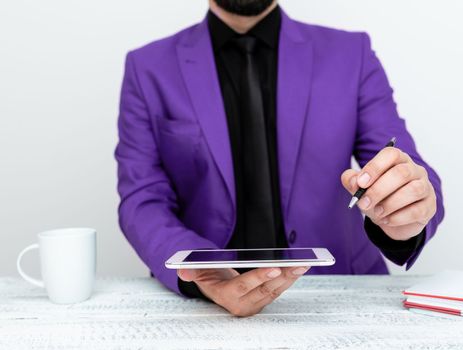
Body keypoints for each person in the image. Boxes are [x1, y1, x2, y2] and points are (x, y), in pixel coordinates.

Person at [115, 0, 444, 317]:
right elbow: (142, 198)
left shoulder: (351, 53)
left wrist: (406, 210)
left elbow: (400, 162)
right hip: (207, 308)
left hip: (339, 298)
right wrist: (201, 274)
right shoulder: (148, 68)